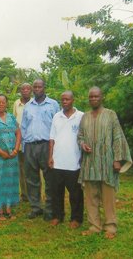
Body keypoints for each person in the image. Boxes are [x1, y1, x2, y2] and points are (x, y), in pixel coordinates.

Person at [78, 87, 132, 239]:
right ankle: (94, 226)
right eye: (91, 97)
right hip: (90, 164)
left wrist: (117, 159)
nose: (93, 99)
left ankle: (110, 227)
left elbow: (118, 138)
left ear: (102, 97)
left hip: (107, 163)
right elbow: (80, 136)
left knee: (108, 197)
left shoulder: (110, 115)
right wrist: (82, 144)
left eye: (96, 96)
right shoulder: (85, 116)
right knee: (90, 197)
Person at [21, 79, 59, 220]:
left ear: (44, 88)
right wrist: (23, 146)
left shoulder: (53, 105)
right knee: (31, 179)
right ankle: (35, 207)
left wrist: (54, 148)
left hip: (46, 145)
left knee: (49, 178)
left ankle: (49, 208)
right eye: (34, 87)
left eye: (39, 87)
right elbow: (23, 127)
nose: (37, 89)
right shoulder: (28, 106)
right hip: (30, 146)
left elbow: (57, 126)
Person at [48, 91, 84, 228]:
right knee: (56, 192)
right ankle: (58, 216)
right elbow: (52, 138)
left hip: (74, 163)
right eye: (62, 100)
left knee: (75, 193)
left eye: (67, 99)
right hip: (58, 161)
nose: (64, 102)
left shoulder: (81, 116)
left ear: (73, 100)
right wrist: (50, 156)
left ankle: (76, 218)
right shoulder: (57, 116)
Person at [12, 83, 32, 202]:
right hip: (19, 141)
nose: (25, 91)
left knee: (32, 168)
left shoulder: (34, 103)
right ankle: (24, 194)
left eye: (27, 89)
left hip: (31, 141)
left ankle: (33, 193)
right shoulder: (16, 103)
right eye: (23, 89)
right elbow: (14, 121)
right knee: (21, 168)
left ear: (31, 91)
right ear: (20, 91)